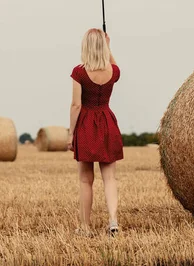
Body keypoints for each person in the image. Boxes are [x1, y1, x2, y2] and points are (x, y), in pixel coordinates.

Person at [67, 28, 123, 236]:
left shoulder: (79, 72)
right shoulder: (112, 72)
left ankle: (85, 227)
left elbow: (75, 105)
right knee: (110, 179)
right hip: (108, 123)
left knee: (85, 180)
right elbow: (116, 66)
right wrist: (108, 47)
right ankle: (113, 221)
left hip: (86, 126)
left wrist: (71, 134)